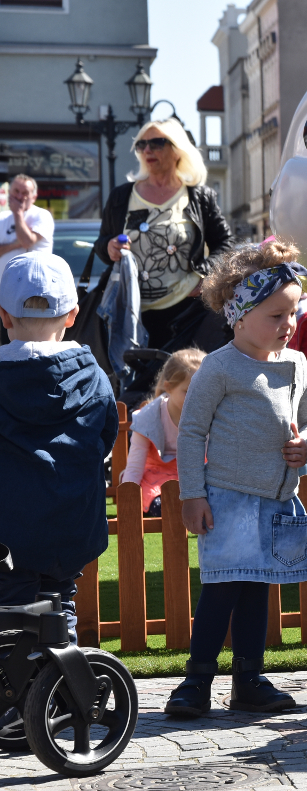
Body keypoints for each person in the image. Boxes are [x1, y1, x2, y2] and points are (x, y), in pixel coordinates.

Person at [164, 239, 307, 718]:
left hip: (277, 499)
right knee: (222, 588)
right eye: (276, 315)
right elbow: (192, 432)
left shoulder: (296, 363)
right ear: (239, 316)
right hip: (228, 499)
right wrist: (193, 494)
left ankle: (248, 679)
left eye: (294, 312)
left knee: (258, 587)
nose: (289, 324)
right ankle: (196, 681)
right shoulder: (219, 367)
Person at [0, 253, 117, 644]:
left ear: (3, 315)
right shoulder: (93, 376)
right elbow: (105, 438)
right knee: (59, 599)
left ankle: (16, 688)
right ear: (71, 315)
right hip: (70, 520)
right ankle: (62, 678)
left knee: (11, 609)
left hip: (9, 525)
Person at [94, 117, 235, 355]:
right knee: (134, 387)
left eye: (157, 143)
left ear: (178, 150)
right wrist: (109, 247)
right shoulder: (121, 196)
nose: (147, 150)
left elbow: (226, 243)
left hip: (186, 313)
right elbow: (101, 243)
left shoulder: (199, 197)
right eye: (141, 145)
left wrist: (205, 274)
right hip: (130, 311)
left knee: (181, 384)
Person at [120, 348, 206, 515]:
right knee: (159, 502)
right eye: (188, 391)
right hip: (156, 476)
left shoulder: (209, 415)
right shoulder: (149, 418)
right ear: (169, 387)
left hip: (194, 475)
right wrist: (128, 497)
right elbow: (135, 466)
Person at [0, 175, 54, 264]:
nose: (19, 196)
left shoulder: (42, 215)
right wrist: (15, 244)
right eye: (16, 191)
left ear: (34, 197)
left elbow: (26, 242)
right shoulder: (2, 218)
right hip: (5, 277)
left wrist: (18, 213)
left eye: (25, 193)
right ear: (9, 192)